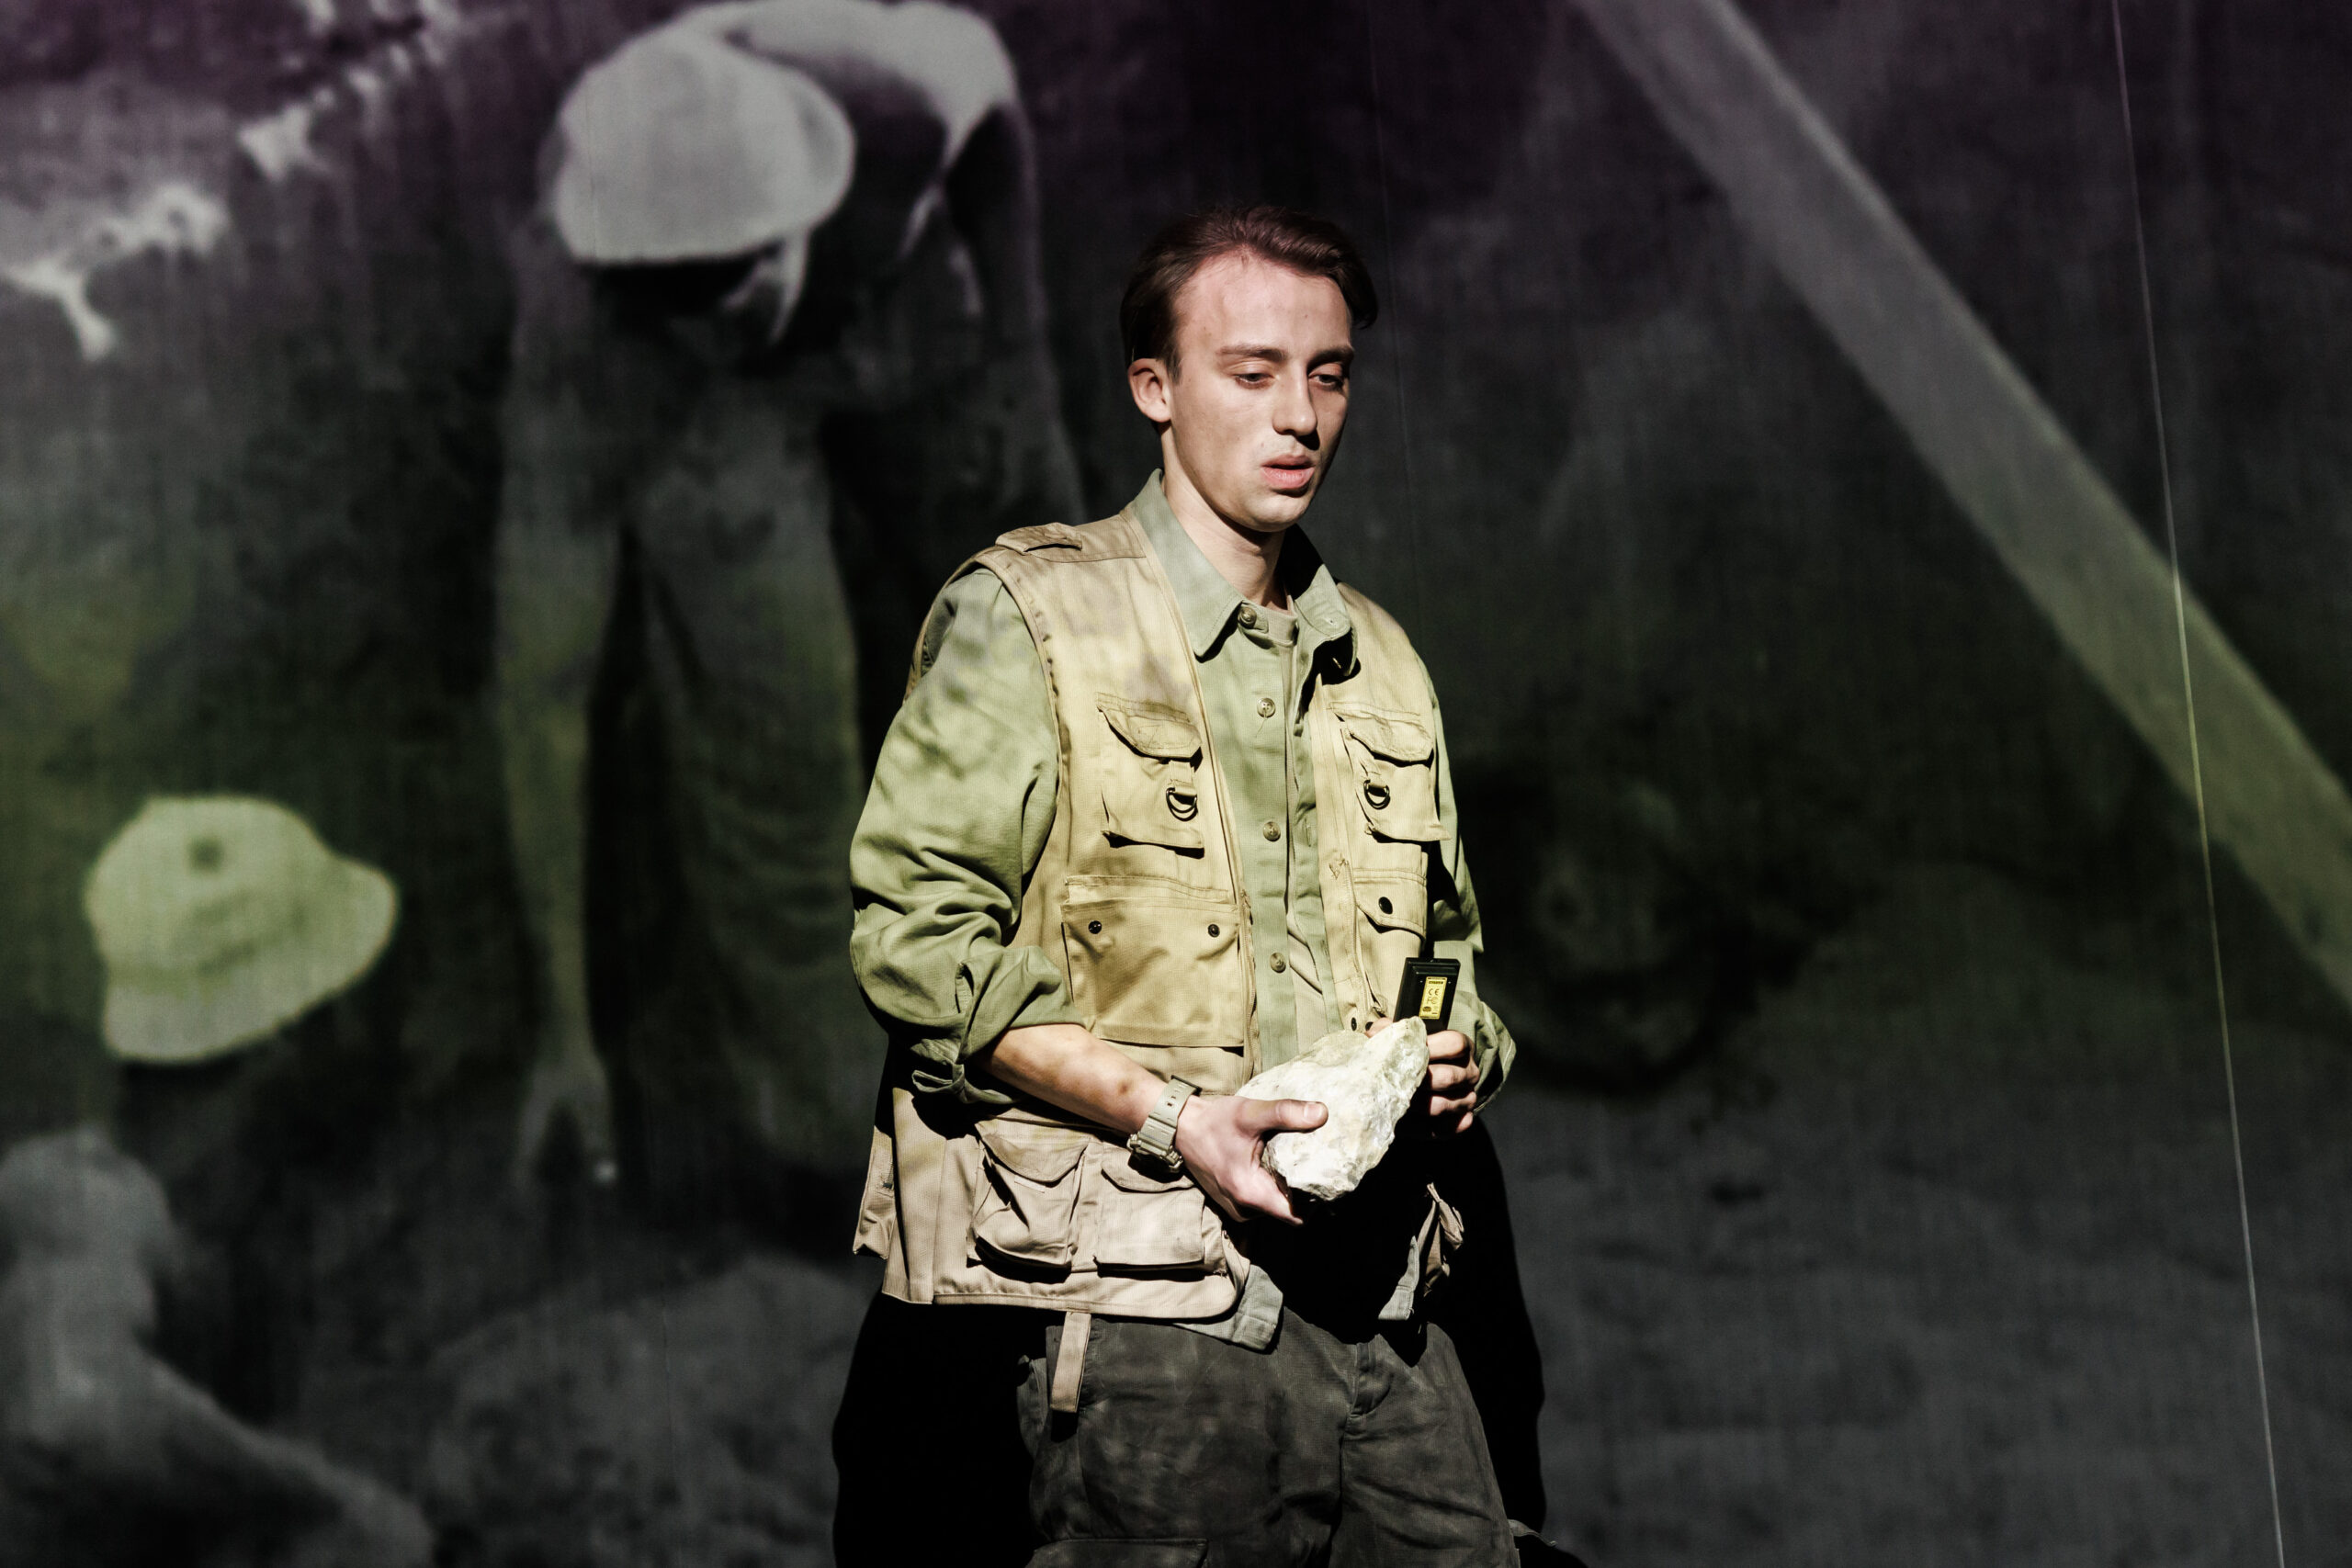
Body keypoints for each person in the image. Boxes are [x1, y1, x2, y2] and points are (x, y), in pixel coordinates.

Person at [839, 205, 1524, 1565]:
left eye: (1328, 375)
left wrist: (1461, 1056)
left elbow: (1445, 960)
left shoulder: (1381, 661)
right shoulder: (1033, 618)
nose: (1301, 417)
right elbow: (917, 945)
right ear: (1154, 387)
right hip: (1142, 1305)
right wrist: (1176, 1117)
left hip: (1386, 1310)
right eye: (1252, 372)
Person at [496, 0, 1080, 1221]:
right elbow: (542, 691)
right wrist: (565, 1033)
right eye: (681, 301)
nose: (717, 326)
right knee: (774, 746)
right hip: (697, 425)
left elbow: (994, 118)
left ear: (793, 222)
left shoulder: (896, 105)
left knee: (1046, 614)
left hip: (892, 306)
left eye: (733, 295)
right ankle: (836, 1133)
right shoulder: (595, 347)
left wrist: (1022, 360)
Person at [0, 796, 429, 1567]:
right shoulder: (79, 1195)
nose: (380, 1044)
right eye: (348, 1011)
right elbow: (75, 1407)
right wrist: (330, 1499)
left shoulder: (242, 1228)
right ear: (286, 1036)